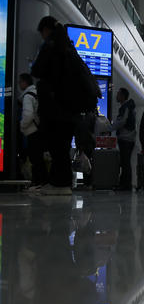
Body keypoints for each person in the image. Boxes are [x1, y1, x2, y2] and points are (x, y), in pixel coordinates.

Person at [30, 16, 79, 195]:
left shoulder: (52, 46)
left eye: (42, 32)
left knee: (55, 145)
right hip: (70, 109)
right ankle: (63, 183)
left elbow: (37, 70)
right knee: (62, 147)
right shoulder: (69, 48)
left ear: (46, 30)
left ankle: (58, 184)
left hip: (55, 107)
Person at [18, 73, 47, 191]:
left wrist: (22, 126)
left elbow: (28, 115)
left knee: (35, 158)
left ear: (25, 82)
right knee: (39, 158)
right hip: (40, 129)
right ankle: (41, 182)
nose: (19, 84)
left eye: (20, 82)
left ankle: (39, 183)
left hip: (32, 131)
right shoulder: (37, 93)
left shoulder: (27, 96)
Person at [111, 88, 136, 191]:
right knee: (125, 162)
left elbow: (122, 121)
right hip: (129, 138)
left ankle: (125, 185)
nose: (116, 96)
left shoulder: (125, 107)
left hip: (126, 138)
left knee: (125, 162)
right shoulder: (129, 107)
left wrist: (110, 128)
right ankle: (124, 183)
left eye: (118, 94)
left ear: (122, 96)